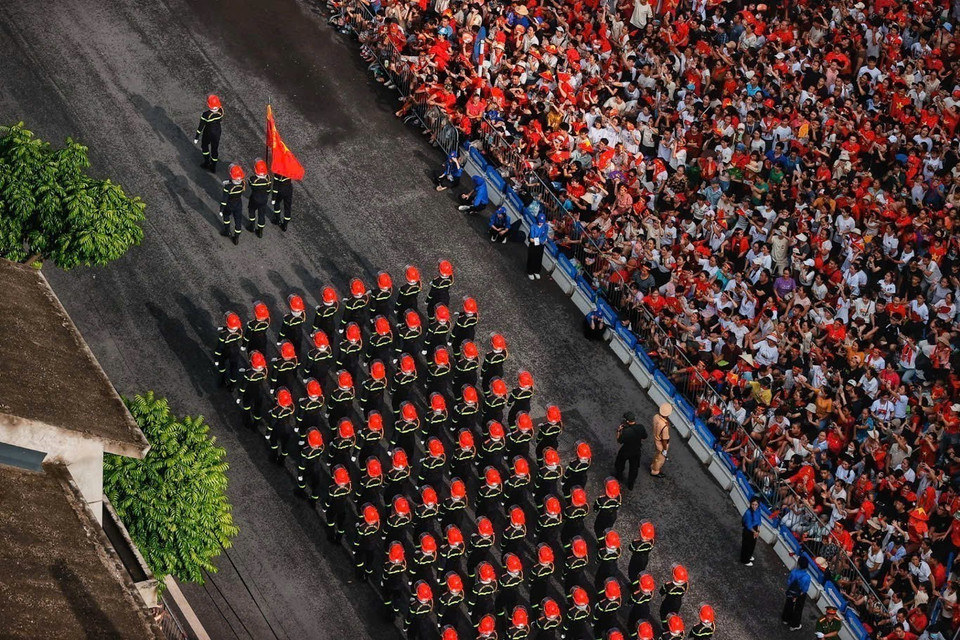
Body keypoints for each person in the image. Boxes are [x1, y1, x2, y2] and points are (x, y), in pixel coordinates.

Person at [614, 412, 647, 489]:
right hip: (636, 450)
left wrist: (619, 431)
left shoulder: (626, 431)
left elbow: (619, 441)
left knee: (620, 463)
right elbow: (644, 436)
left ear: (627, 421)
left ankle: (619, 475)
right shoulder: (641, 427)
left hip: (626, 450)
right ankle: (631, 484)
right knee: (634, 468)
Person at [194, 94, 222, 172]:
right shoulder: (221, 111)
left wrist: (196, 137)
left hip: (208, 132)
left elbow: (201, 127)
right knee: (214, 149)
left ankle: (206, 162)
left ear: (208, 105)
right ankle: (213, 167)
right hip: (217, 132)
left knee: (204, 146)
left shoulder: (206, 114)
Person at [219, 164, 246, 245]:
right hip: (238, 204)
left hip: (229, 204)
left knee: (226, 216)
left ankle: (227, 231)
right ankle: (236, 237)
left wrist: (221, 209)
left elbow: (224, 200)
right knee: (238, 220)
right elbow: (236, 182)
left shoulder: (228, 187)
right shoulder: (243, 184)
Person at [782, 556, 811, 631]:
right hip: (800, 594)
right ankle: (794, 625)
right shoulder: (807, 577)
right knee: (798, 609)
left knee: (789, 604)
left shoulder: (794, 572)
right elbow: (805, 589)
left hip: (791, 591)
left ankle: (786, 619)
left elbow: (789, 582)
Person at [246, 159, 272, 238]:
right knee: (261, 215)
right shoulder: (268, 179)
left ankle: (252, 226)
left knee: (251, 211)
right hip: (264, 199)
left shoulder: (253, 179)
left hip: (254, 198)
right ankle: (260, 231)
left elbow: (250, 184)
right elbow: (268, 190)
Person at [649, 404, 671, 479]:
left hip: (656, 438)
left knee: (657, 455)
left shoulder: (656, 417)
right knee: (660, 459)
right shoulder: (664, 427)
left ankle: (653, 466)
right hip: (661, 443)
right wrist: (664, 449)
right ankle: (655, 471)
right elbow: (664, 440)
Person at [526, 213, 550, 280]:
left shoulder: (545, 226)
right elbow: (531, 238)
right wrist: (540, 240)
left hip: (540, 244)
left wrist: (540, 240)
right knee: (532, 258)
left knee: (539, 258)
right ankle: (530, 272)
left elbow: (545, 236)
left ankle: (536, 271)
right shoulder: (533, 226)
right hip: (534, 245)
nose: (540, 223)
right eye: (539, 222)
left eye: (541, 222)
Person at [740, 497, 762, 566]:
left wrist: (758, 530)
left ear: (758, 505)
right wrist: (755, 532)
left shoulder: (758, 509)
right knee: (746, 545)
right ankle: (744, 560)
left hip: (755, 528)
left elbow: (759, 520)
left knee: (752, 544)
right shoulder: (748, 512)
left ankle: (749, 556)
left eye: (756, 505)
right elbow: (748, 525)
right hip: (748, 530)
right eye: (753, 504)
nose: (754, 506)